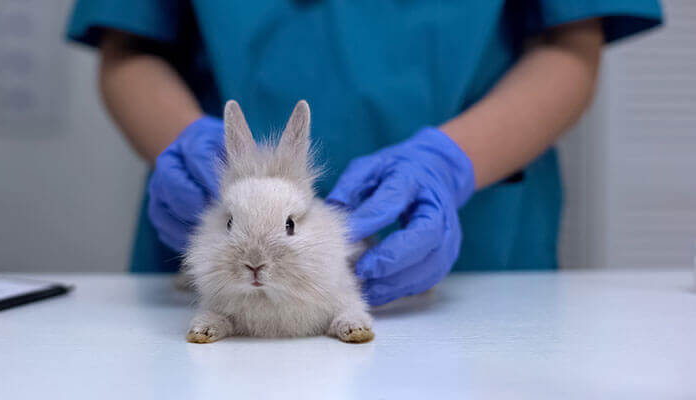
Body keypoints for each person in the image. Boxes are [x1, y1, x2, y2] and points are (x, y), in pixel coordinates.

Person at [66, 1, 662, 305]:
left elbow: (571, 43)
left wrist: (449, 163)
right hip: (203, 271)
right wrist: (189, 147)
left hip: (479, 259)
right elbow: (129, 43)